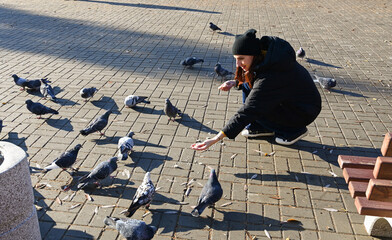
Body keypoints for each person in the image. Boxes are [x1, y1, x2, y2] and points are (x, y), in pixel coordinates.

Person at [191, 29, 321, 151]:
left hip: (303, 111)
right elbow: (254, 82)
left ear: (254, 55)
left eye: (241, 58)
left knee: (255, 106)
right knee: (248, 86)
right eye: (236, 58)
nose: (237, 64)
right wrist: (235, 82)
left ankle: (294, 131)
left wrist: (215, 138)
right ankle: (261, 126)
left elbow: (249, 109)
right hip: (292, 101)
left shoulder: (272, 75)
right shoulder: (268, 59)